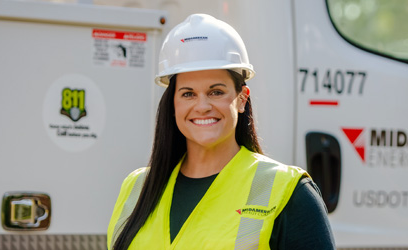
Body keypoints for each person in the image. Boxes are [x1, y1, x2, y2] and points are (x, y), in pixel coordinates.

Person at [107, 14, 335, 249]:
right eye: (188, 94)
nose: (203, 106)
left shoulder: (289, 192)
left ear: (242, 99)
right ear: (172, 104)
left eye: (216, 92)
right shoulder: (135, 188)